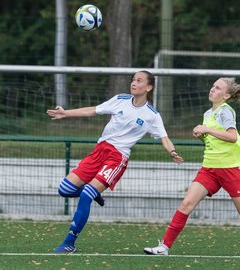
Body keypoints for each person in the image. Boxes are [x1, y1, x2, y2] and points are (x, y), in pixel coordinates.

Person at [47, 70, 184, 253]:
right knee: (64, 189)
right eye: (133, 79)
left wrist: (172, 151)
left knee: (86, 194)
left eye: (139, 81)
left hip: (117, 157)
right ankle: (94, 193)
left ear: (149, 87)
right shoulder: (120, 99)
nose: (134, 83)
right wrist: (66, 114)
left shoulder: (152, 115)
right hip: (100, 150)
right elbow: (92, 111)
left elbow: (164, 137)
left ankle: (69, 243)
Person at [144, 77, 240, 256]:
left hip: (230, 168)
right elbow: (214, 140)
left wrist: (207, 130)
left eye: (218, 88)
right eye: (213, 86)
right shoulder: (207, 114)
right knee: (187, 203)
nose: (212, 89)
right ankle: (164, 247)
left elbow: (232, 137)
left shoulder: (226, 112)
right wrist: (202, 136)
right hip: (210, 168)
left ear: (226, 96)